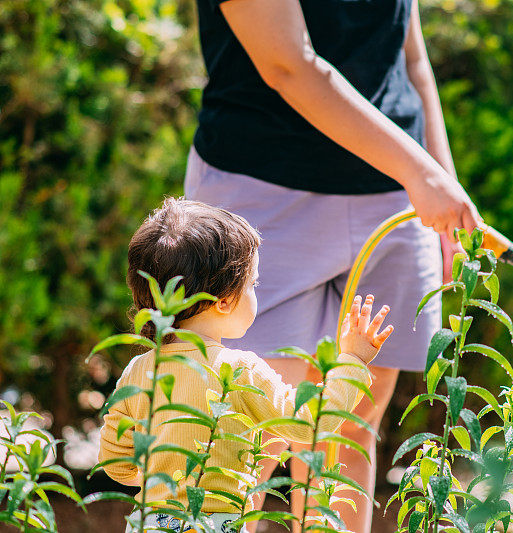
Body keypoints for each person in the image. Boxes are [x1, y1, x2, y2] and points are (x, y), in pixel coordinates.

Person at [184, 0, 484, 530]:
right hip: (260, 193)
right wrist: (423, 173)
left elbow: (411, 57)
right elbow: (287, 63)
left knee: (351, 428)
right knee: (242, 436)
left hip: (393, 202)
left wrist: (443, 181)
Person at [97, 198, 393, 532]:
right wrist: (352, 360)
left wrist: (165, 480)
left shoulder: (138, 371)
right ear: (223, 301)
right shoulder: (239, 370)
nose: (255, 292)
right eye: (251, 283)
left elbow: (114, 461)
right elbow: (311, 424)